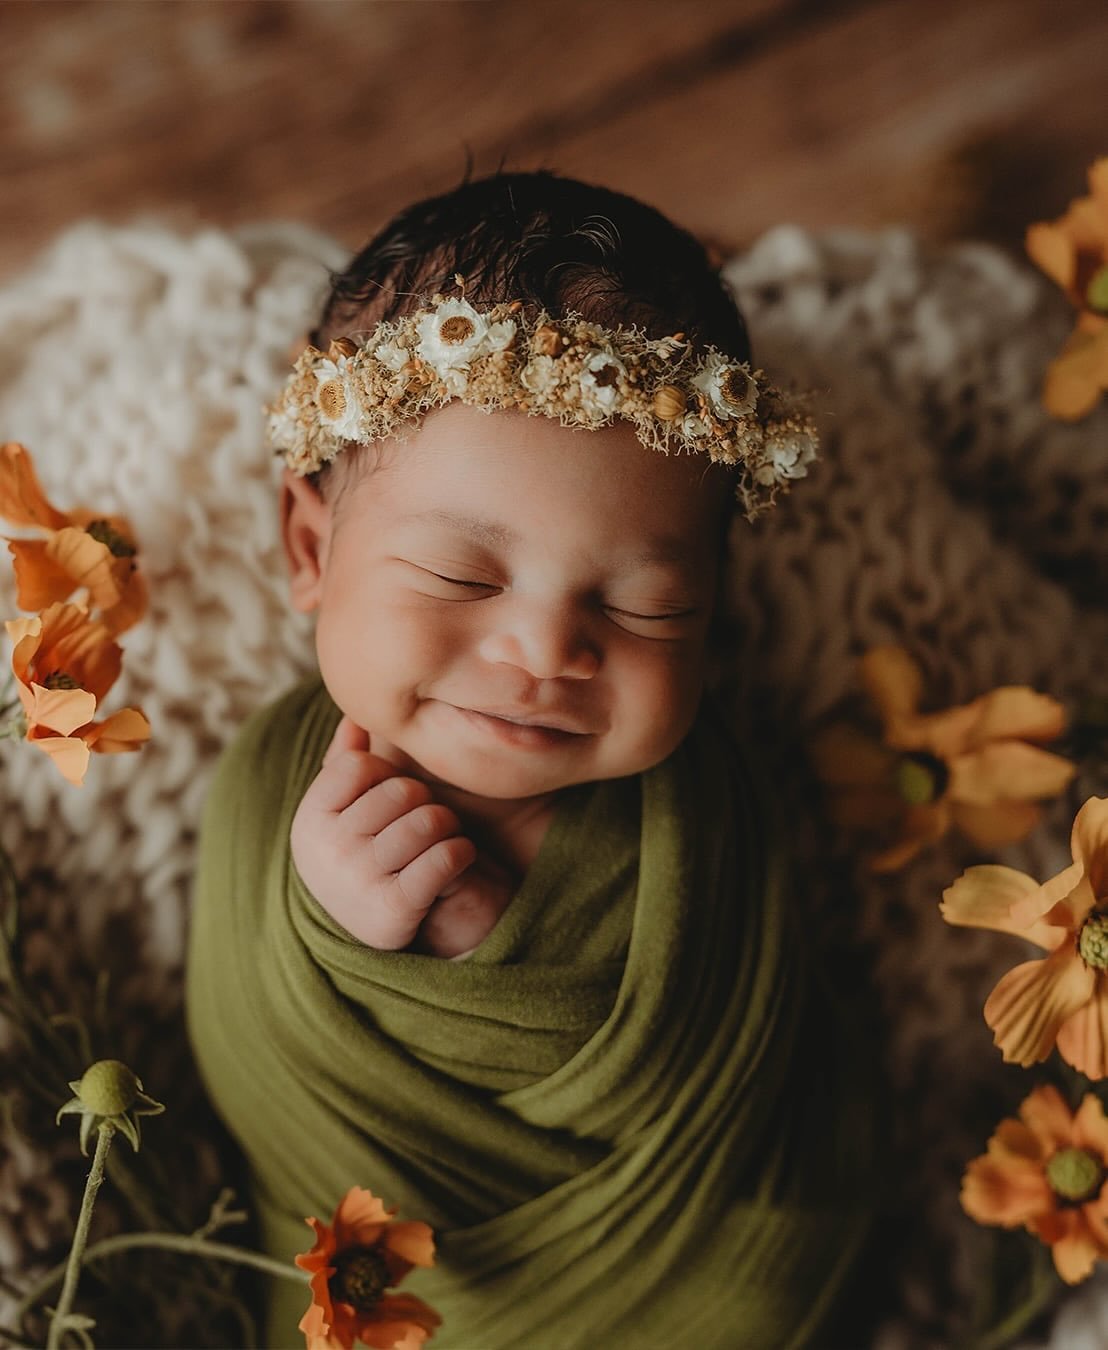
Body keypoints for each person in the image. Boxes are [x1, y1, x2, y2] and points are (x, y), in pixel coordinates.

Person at [186, 170, 879, 1350]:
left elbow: (735, 1080)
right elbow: (249, 1058)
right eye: (462, 576)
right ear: (310, 548)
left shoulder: (706, 814)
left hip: (693, 1276)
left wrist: (482, 947)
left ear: (715, 611)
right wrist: (326, 922)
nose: (547, 650)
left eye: (649, 608)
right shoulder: (269, 783)